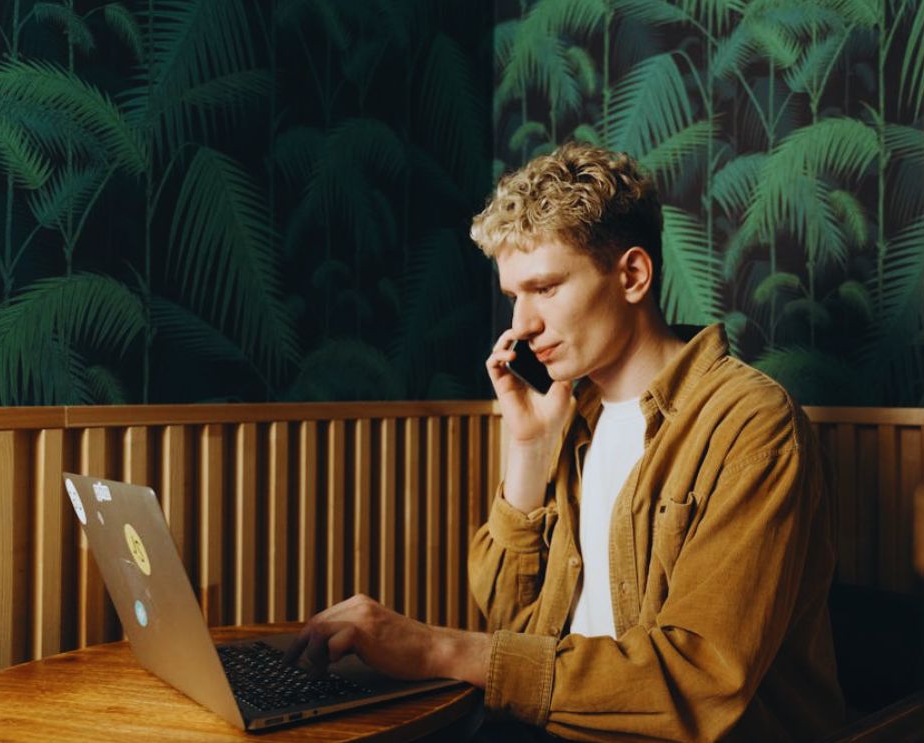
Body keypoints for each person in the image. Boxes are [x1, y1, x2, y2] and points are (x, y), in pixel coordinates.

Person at [286, 143, 844, 741]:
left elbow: (701, 682)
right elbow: (511, 622)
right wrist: (527, 450)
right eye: (513, 296)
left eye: (545, 288)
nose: (521, 324)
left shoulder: (750, 424)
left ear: (631, 275)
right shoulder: (575, 416)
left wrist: (435, 649)